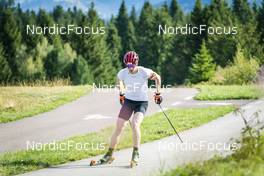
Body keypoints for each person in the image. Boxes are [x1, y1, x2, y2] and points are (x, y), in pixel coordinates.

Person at [99, 51, 162, 166]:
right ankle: (109, 154)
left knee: (135, 124)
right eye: (128, 65)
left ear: (136, 63)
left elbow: (157, 77)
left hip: (141, 103)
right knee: (119, 126)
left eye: (132, 65)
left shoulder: (144, 71)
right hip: (128, 102)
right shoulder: (122, 73)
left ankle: (136, 153)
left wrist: (158, 93)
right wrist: (122, 93)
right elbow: (119, 83)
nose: (130, 68)